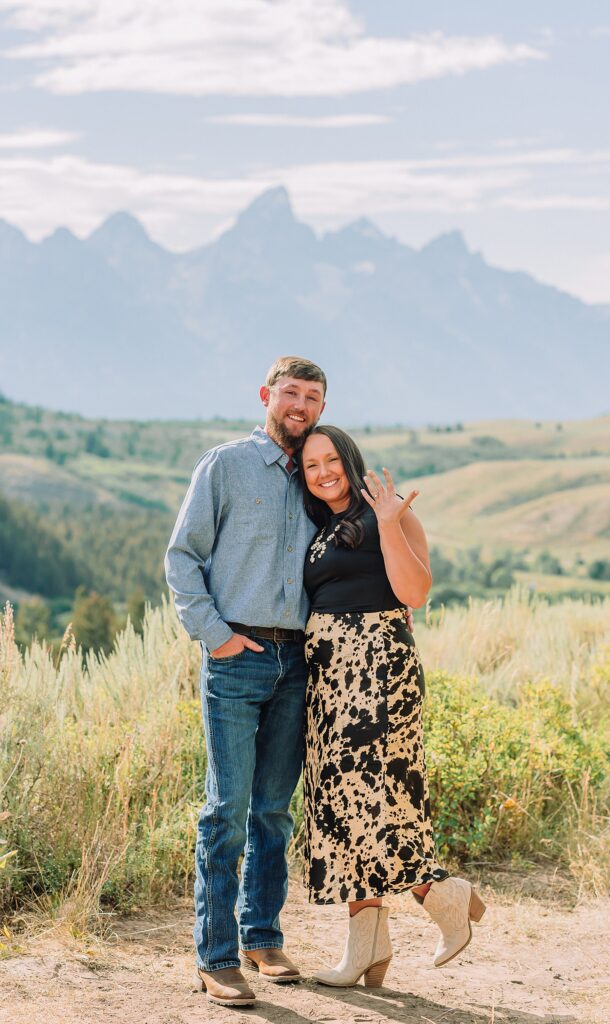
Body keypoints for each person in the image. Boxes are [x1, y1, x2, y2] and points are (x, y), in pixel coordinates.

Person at [164, 356, 327, 1008]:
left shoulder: (319, 475)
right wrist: (217, 637)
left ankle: (262, 936)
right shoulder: (226, 465)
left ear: (321, 408)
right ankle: (216, 956)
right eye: (291, 392)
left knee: (273, 812)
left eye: (312, 396)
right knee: (227, 810)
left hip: (299, 662)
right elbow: (183, 556)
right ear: (266, 395)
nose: (300, 405)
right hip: (237, 656)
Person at [299, 425, 485, 988]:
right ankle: (368, 946)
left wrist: (386, 524)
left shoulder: (391, 512)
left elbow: (414, 593)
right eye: (311, 465)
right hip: (330, 679)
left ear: (350, 459)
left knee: (380, 797)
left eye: (331, 459)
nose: (323, 472)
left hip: (378, 669)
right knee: (341, 802)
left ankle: (441, 894)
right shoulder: (322, 524)